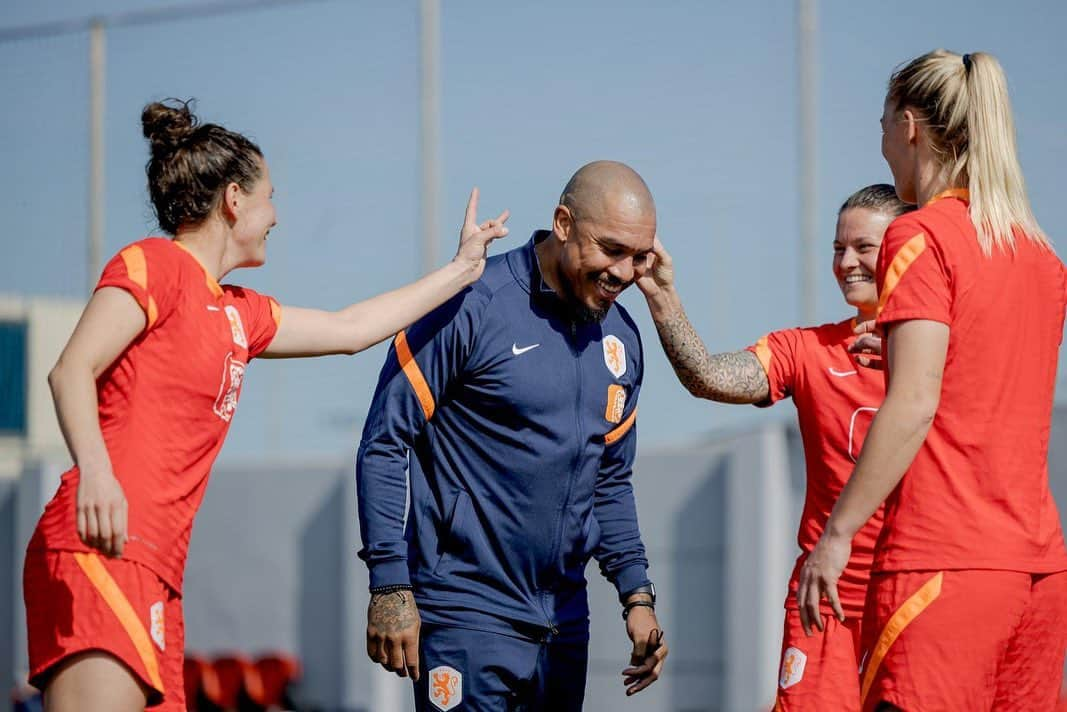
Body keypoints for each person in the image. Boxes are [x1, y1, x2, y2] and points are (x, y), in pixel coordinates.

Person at [22, 98, 510, 712]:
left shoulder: (238, 312)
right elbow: (70, 370)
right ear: (234, 200)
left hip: (158, 573)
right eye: (270, 196)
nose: (276, 214)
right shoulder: (153, 264)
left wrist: (461, 271)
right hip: (99, 547)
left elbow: (350, 328)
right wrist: (95, 470)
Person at [798, 50, 1067, 711]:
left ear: (910, 126)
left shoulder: (918, 235)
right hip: (1037, 569)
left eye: (883, 124)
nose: (883, 143)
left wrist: (835, 538)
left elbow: (915, 405)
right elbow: (980, 381)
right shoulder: (1038, 254)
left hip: (942, 563)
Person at [356, 160, 669, 710]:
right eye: (611, 249)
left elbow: (611, 482)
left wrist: (636, 594)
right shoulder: (469, 304)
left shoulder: (623, 339)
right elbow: (384, 441)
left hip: (564, 625)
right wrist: (389, 583)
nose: (624, 271)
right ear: (564, 223)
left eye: (639, 257)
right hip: (464, 613)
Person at [636, 184, 912, 710]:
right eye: (837, 248)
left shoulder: (951, 357)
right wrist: (663, 297)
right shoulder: (806, 349)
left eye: (864, 247)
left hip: (913, 597)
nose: (846, 262)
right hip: (824, 603)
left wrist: (911, 353)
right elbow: (708, 376)